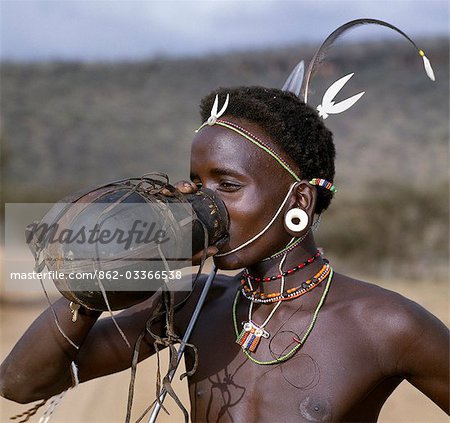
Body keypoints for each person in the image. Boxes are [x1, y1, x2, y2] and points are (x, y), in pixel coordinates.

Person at [0, 85, 448, 422]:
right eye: (196, 185)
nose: (204, 204)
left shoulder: (387, 325)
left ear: (298, 203)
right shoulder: (194, 302)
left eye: (228, 186)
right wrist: (97, 276)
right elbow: (21, 383)